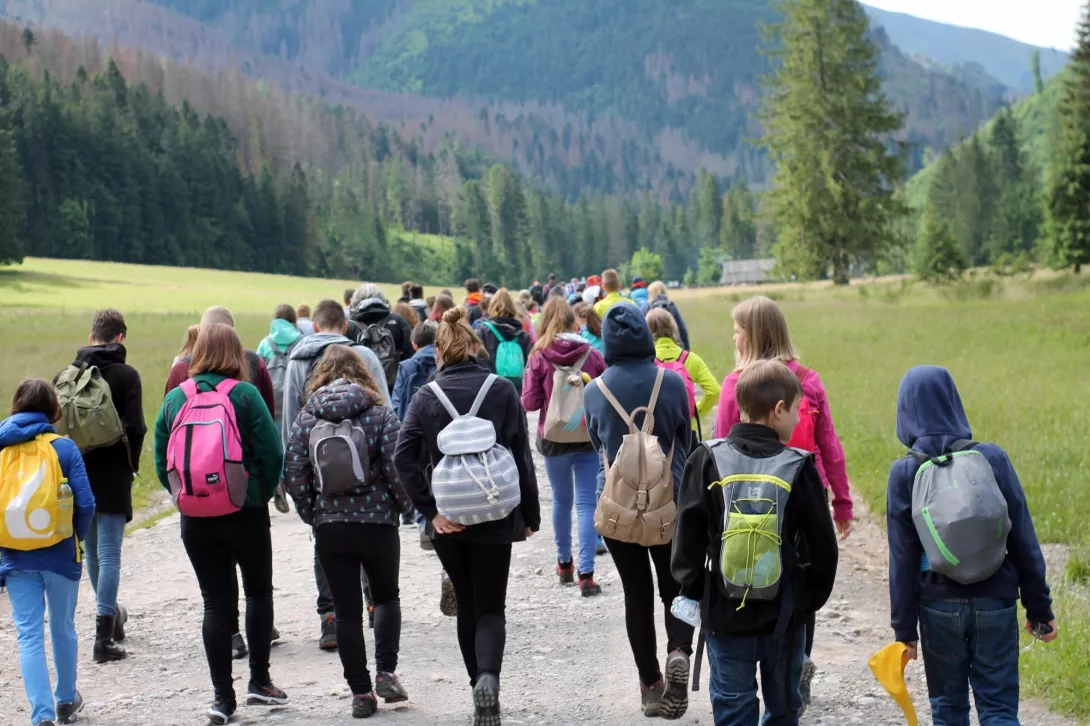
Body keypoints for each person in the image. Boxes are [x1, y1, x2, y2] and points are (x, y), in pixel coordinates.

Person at [394, 307, 540, 726]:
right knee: (493, 606)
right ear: (476, 347)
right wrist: (528, 515)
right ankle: (490, 678)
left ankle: (476, 681)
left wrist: (430, 512)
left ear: (439, 351)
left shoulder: (425, 396)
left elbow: (404, 458)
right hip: (497, 512)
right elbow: (521, 457)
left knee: (468, 605)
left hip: (450, 518)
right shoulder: (501, 390)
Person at [673, 360, 839, 726]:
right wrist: (807, 601)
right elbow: (823, 548)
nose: (798, 419)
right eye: (796, 410)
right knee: (783, 709)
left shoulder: (707, 458)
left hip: (725, 614)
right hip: (785, 615)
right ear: (778, 410)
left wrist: (700, 592)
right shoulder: (799, 465)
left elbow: (686, 540)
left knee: (733, 708)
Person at [888, 366, 1056, 726]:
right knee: (998, 709)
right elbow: (1023, 538)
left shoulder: (904, 473)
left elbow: (901, 560)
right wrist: (1039, 607)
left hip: (937, 607)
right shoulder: (992, 458)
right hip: (995, 600)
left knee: (948, 710)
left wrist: (904, 632)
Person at [714, 296, 853, 706]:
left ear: (752, 335)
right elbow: (830, 445)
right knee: (801, 580)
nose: (732, 337)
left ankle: (763, 658)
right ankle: (798, 660)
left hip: (750, 502)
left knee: (754, 570)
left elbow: (723, 447)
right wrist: (841, 502)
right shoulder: (808, 380)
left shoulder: (735, 386)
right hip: (806, 499)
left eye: (737, 330)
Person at [154, 323, 288, 725]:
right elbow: (272, 452)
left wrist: (186, 496)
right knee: (258, 593)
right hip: (244, 510)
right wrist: (257, 493)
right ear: (235, 353)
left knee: (215, 602)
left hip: (195, 516)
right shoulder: (245, 395)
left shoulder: (177, 398)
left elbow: (163, 461)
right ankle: (259, 682)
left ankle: (221, 698)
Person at [284, 346, 413, 718]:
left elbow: (293, 472)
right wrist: (402, 508)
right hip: (378, 524)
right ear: (363, 374)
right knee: (386, 598)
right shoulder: (379, 413)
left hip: (331, 526)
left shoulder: (308, 417)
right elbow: (397, 466)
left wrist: (313, 512)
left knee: (345, 612)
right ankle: (386, 671)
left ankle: (360, 693)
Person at [583, 304, 694, 719]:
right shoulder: (673, 383)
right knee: (676, 586)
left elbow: (597, 443)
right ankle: (679, 649)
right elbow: (685, 436)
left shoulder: (594, 390)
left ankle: (650, 686)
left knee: (636, 593)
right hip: (671, 504)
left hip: (617, 510)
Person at [281, 300, 387, 647]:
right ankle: (375, 605)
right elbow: (386, 408)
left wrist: (292, 475)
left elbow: (291, 418)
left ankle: (329, 617)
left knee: (323, 542)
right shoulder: (366, 356)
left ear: (314, 324)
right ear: (345, 325)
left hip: (318, 467)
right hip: (367, 468)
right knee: (371, 537)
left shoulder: (297, 359)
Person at [1, 379, 95, 726]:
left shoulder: (2, 449)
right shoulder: (64, 449)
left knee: (28, 634)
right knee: (62, 627)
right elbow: (86, 503)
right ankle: (66, 701)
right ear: (53, 409)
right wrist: (75, 538)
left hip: (14, 556)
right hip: (59, 554)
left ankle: (40, 715)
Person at [56, 309, 146, 664]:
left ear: (92, 335)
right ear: (120, 337)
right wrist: (131, 464)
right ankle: (103, 636)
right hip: (113, 472)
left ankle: (109, 618)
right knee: (110, 553)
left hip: (77, 472)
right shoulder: (126, 375)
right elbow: (137, 428)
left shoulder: (66, 375)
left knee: (91, 552)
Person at [520, 298, 606, 596]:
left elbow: (529, 402)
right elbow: (604, 392)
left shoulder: (539, 354)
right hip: (586, 435)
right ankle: (586, 573)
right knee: (586, 503)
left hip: (553, 437)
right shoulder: (591, 354)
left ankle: (564, 563)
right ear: (573, 322)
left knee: (561, 500)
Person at [165, 307, 277, 415]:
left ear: (199, 331)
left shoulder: (180, 369)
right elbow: (268, 416)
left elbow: (168, 419)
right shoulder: (254, 363)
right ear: (232, 333)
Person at [646, 308, 720, 442]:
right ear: (673, 328)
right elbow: (714, 391)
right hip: (686, 432)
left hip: (656, 433)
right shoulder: (691, 359)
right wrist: (694, 412)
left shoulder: (646, 361)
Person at [476, 289, 533, 394]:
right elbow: (529, 366)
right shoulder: (523, 336)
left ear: (491, 307)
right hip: (516, 390)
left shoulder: (483, 331)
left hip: (489, 388)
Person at [646, 282, 690, 351]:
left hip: (653, 349)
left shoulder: (646, 308)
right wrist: (687, 348)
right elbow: (682, 328)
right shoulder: (671, 306)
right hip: (674, 347)